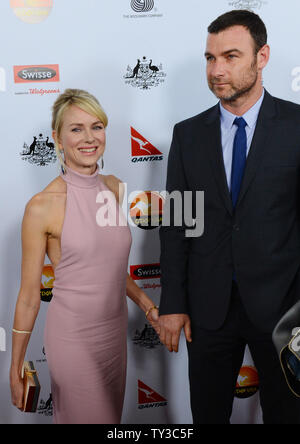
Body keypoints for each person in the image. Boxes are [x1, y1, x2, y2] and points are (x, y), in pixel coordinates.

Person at [158, 9, 300, 424]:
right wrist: (172, 303)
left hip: (283, 310)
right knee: (206, 413)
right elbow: (177, 224)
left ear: (263, 56)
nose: (217, 70)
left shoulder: (296, 126)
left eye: (231, 56)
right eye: (210, 58)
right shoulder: (188, 134)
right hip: (208, 309)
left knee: (287, 414)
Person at [10, 88, 159, 424]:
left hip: (113, 336)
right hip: (72, 339)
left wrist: (147, 306)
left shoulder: (115, 188)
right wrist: (16, 367)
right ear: (57, 139)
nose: (89, 138)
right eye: (76, 129)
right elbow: (30, 297)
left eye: (97, 126)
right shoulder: (42, 206)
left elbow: (109, 268)